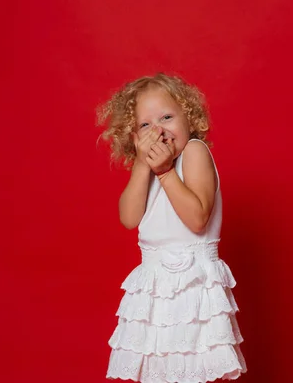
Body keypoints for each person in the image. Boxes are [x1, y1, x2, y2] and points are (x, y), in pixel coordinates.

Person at [97, 73, 246, 382]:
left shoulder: (193, 152)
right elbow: (128, 218)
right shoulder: (147, 170)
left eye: (167, 117)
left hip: (193, 287)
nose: (159, 130)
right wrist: (142, 165)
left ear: (188, 119)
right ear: (134, 137)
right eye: (145, 125)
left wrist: (165, 173)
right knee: (157, 372)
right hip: (154, 290)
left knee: (196, 371)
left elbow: (196, 219)